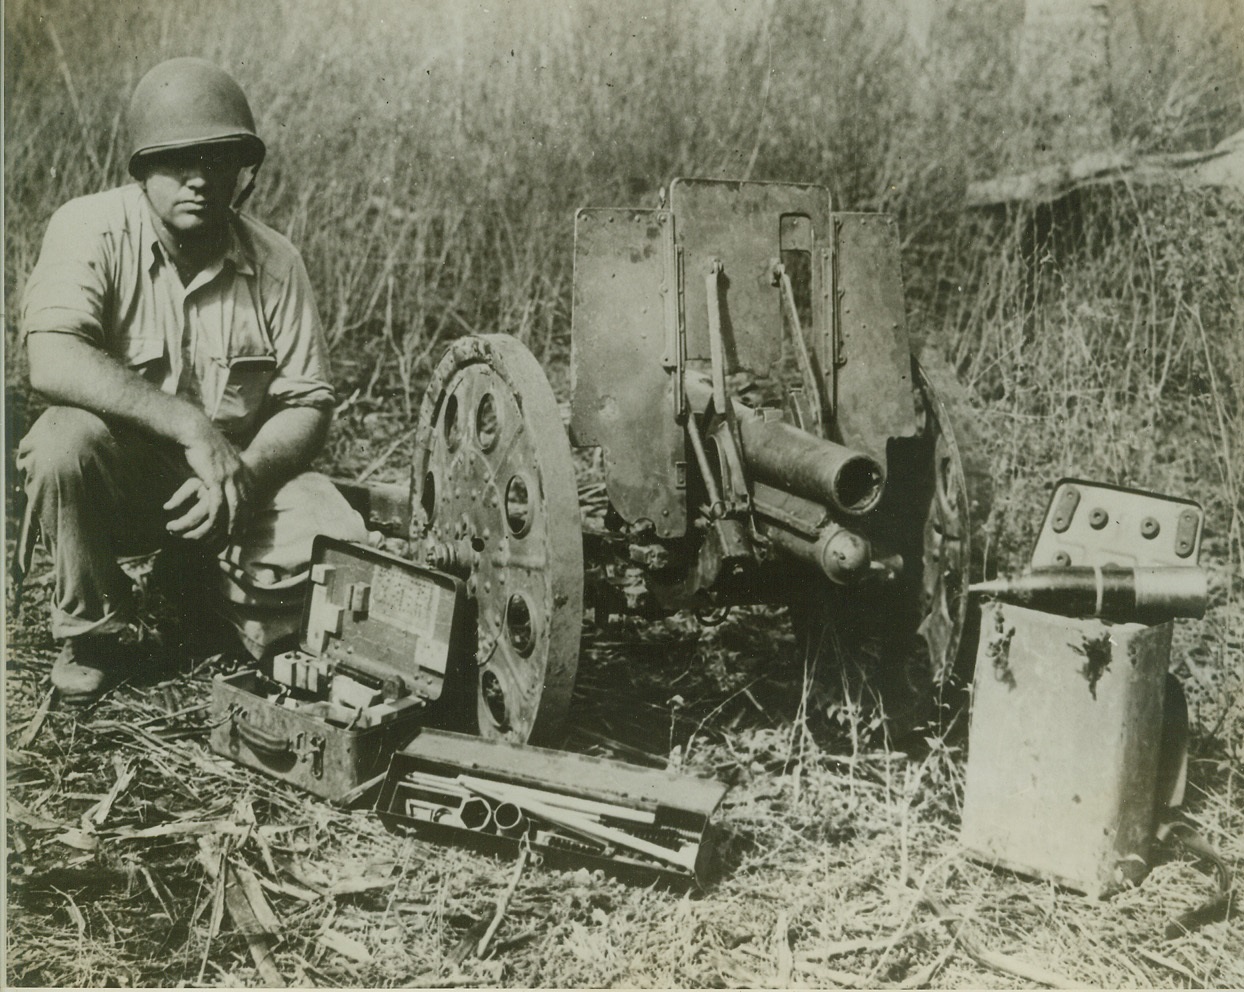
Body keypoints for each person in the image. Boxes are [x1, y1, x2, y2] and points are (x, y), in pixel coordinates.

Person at [17, 57, 369, 704]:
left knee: (339, 538)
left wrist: (244, 477)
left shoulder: (276, 261)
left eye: (220, 160)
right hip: (124, 481)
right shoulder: (89, 226)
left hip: (235, 482)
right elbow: (53, 359)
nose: (200, 180)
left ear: (244, 172)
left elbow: (308, 402)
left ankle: (197, 587)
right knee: (61, 441)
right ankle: (94, 631)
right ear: (142, 169)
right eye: (178, 162)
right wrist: (188, 424)